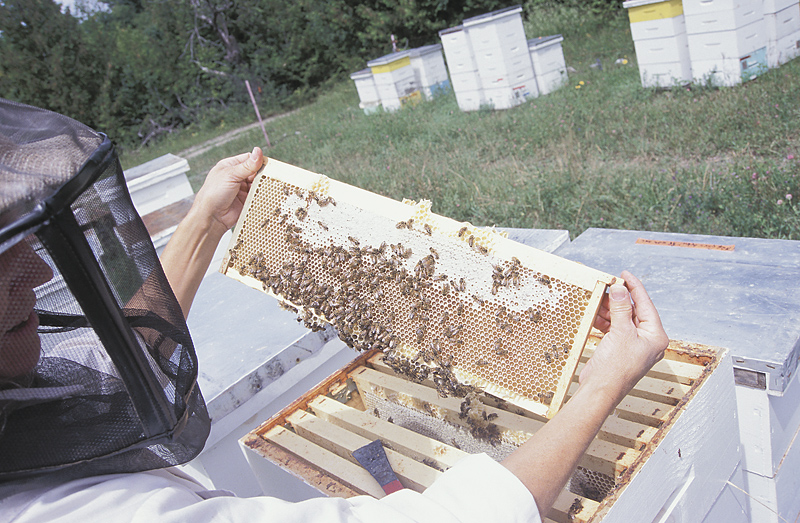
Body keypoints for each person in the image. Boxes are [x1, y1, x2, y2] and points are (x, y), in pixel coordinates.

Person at [0, 147, 669, 522]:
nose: (33, 268)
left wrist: (204, 221)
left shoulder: (24, 412)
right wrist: (605, 381)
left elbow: (112, 375)